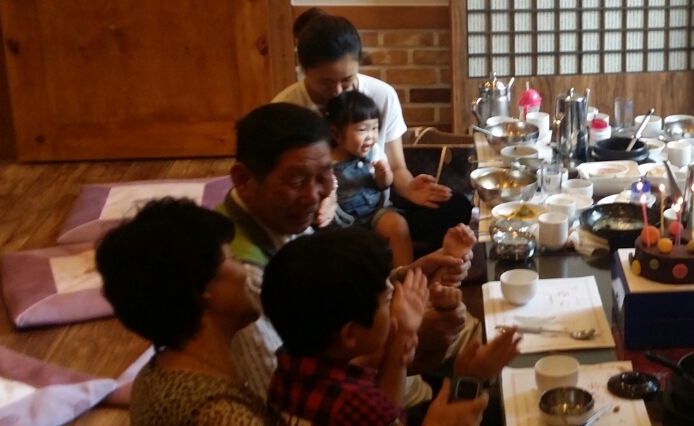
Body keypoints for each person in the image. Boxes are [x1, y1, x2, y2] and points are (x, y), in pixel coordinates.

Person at [96, 198, 485, 426]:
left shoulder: (161, 373)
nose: (243, 271)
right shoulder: (211, 416)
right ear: (204, 293)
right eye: (229, 259)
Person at [218, 103, 517, 408]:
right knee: (498, 385)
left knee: (472, 330)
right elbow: (286, 397)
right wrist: (404, 340)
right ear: (243, 179)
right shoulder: (243, 278)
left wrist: (414, 272)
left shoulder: (280, 217)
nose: (314, 196)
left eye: (325, 176)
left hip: (384, 364)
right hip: (363, 407)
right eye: (296, 182)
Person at [263, 229, 478, 426]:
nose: (396, 296)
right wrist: (471, 383)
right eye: (387, 299)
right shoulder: (354, 405)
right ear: (350, 334)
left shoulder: (286, 372)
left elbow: (387, 419)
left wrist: (402, 335)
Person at [274, 9, 474, 245]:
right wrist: (320, 201)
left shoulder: (381, 95)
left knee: (457, 207)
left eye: (346, 80)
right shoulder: (285, 108)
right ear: (304, 68)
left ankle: (378, 244)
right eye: (325, 82)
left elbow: (397, 166)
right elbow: (285, 184)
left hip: (377, 203)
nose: (337, 91)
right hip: (320, 211)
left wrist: (409, 188)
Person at [325, 89, 414, 265]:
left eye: (374, 128)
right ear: (336, 134)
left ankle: (404, 275)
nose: (371, 137)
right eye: (362, 130)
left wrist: (385, 175)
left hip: (375, 213)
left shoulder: (374, 152)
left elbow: (384, 185)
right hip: (342, 222)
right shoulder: (327, 160)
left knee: (398, 225)